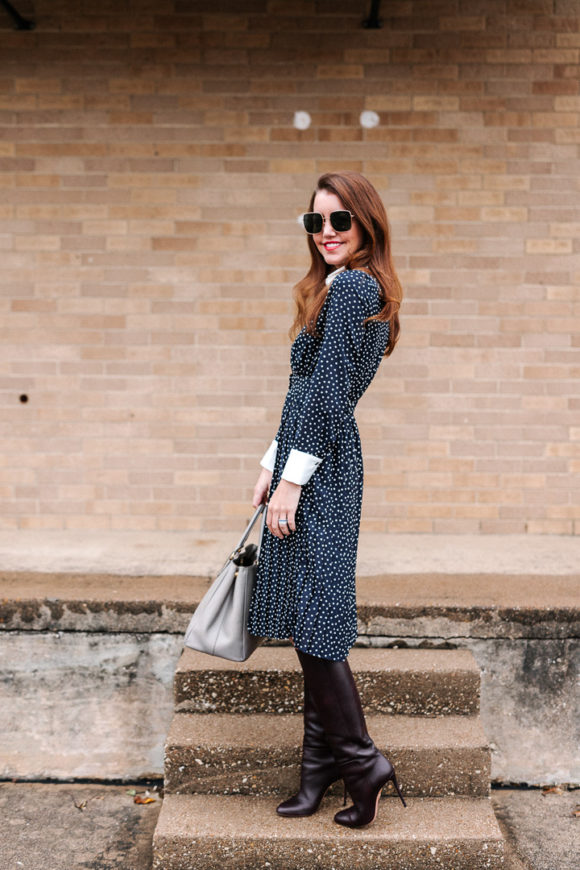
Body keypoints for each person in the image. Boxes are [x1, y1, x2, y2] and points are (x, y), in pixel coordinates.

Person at [248, 171, 404, 828]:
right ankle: (319, 770)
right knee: (309, 623)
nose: (329, 233)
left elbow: (331, 395)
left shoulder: (357, 288)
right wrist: (268, 462)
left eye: (341, 220)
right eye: (317, 222)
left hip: (323, 468)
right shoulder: (337, 289)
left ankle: (362, 763)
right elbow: (305, 394)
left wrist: (290, 479)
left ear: (366, 224)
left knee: (318, 623)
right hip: (309, 458)